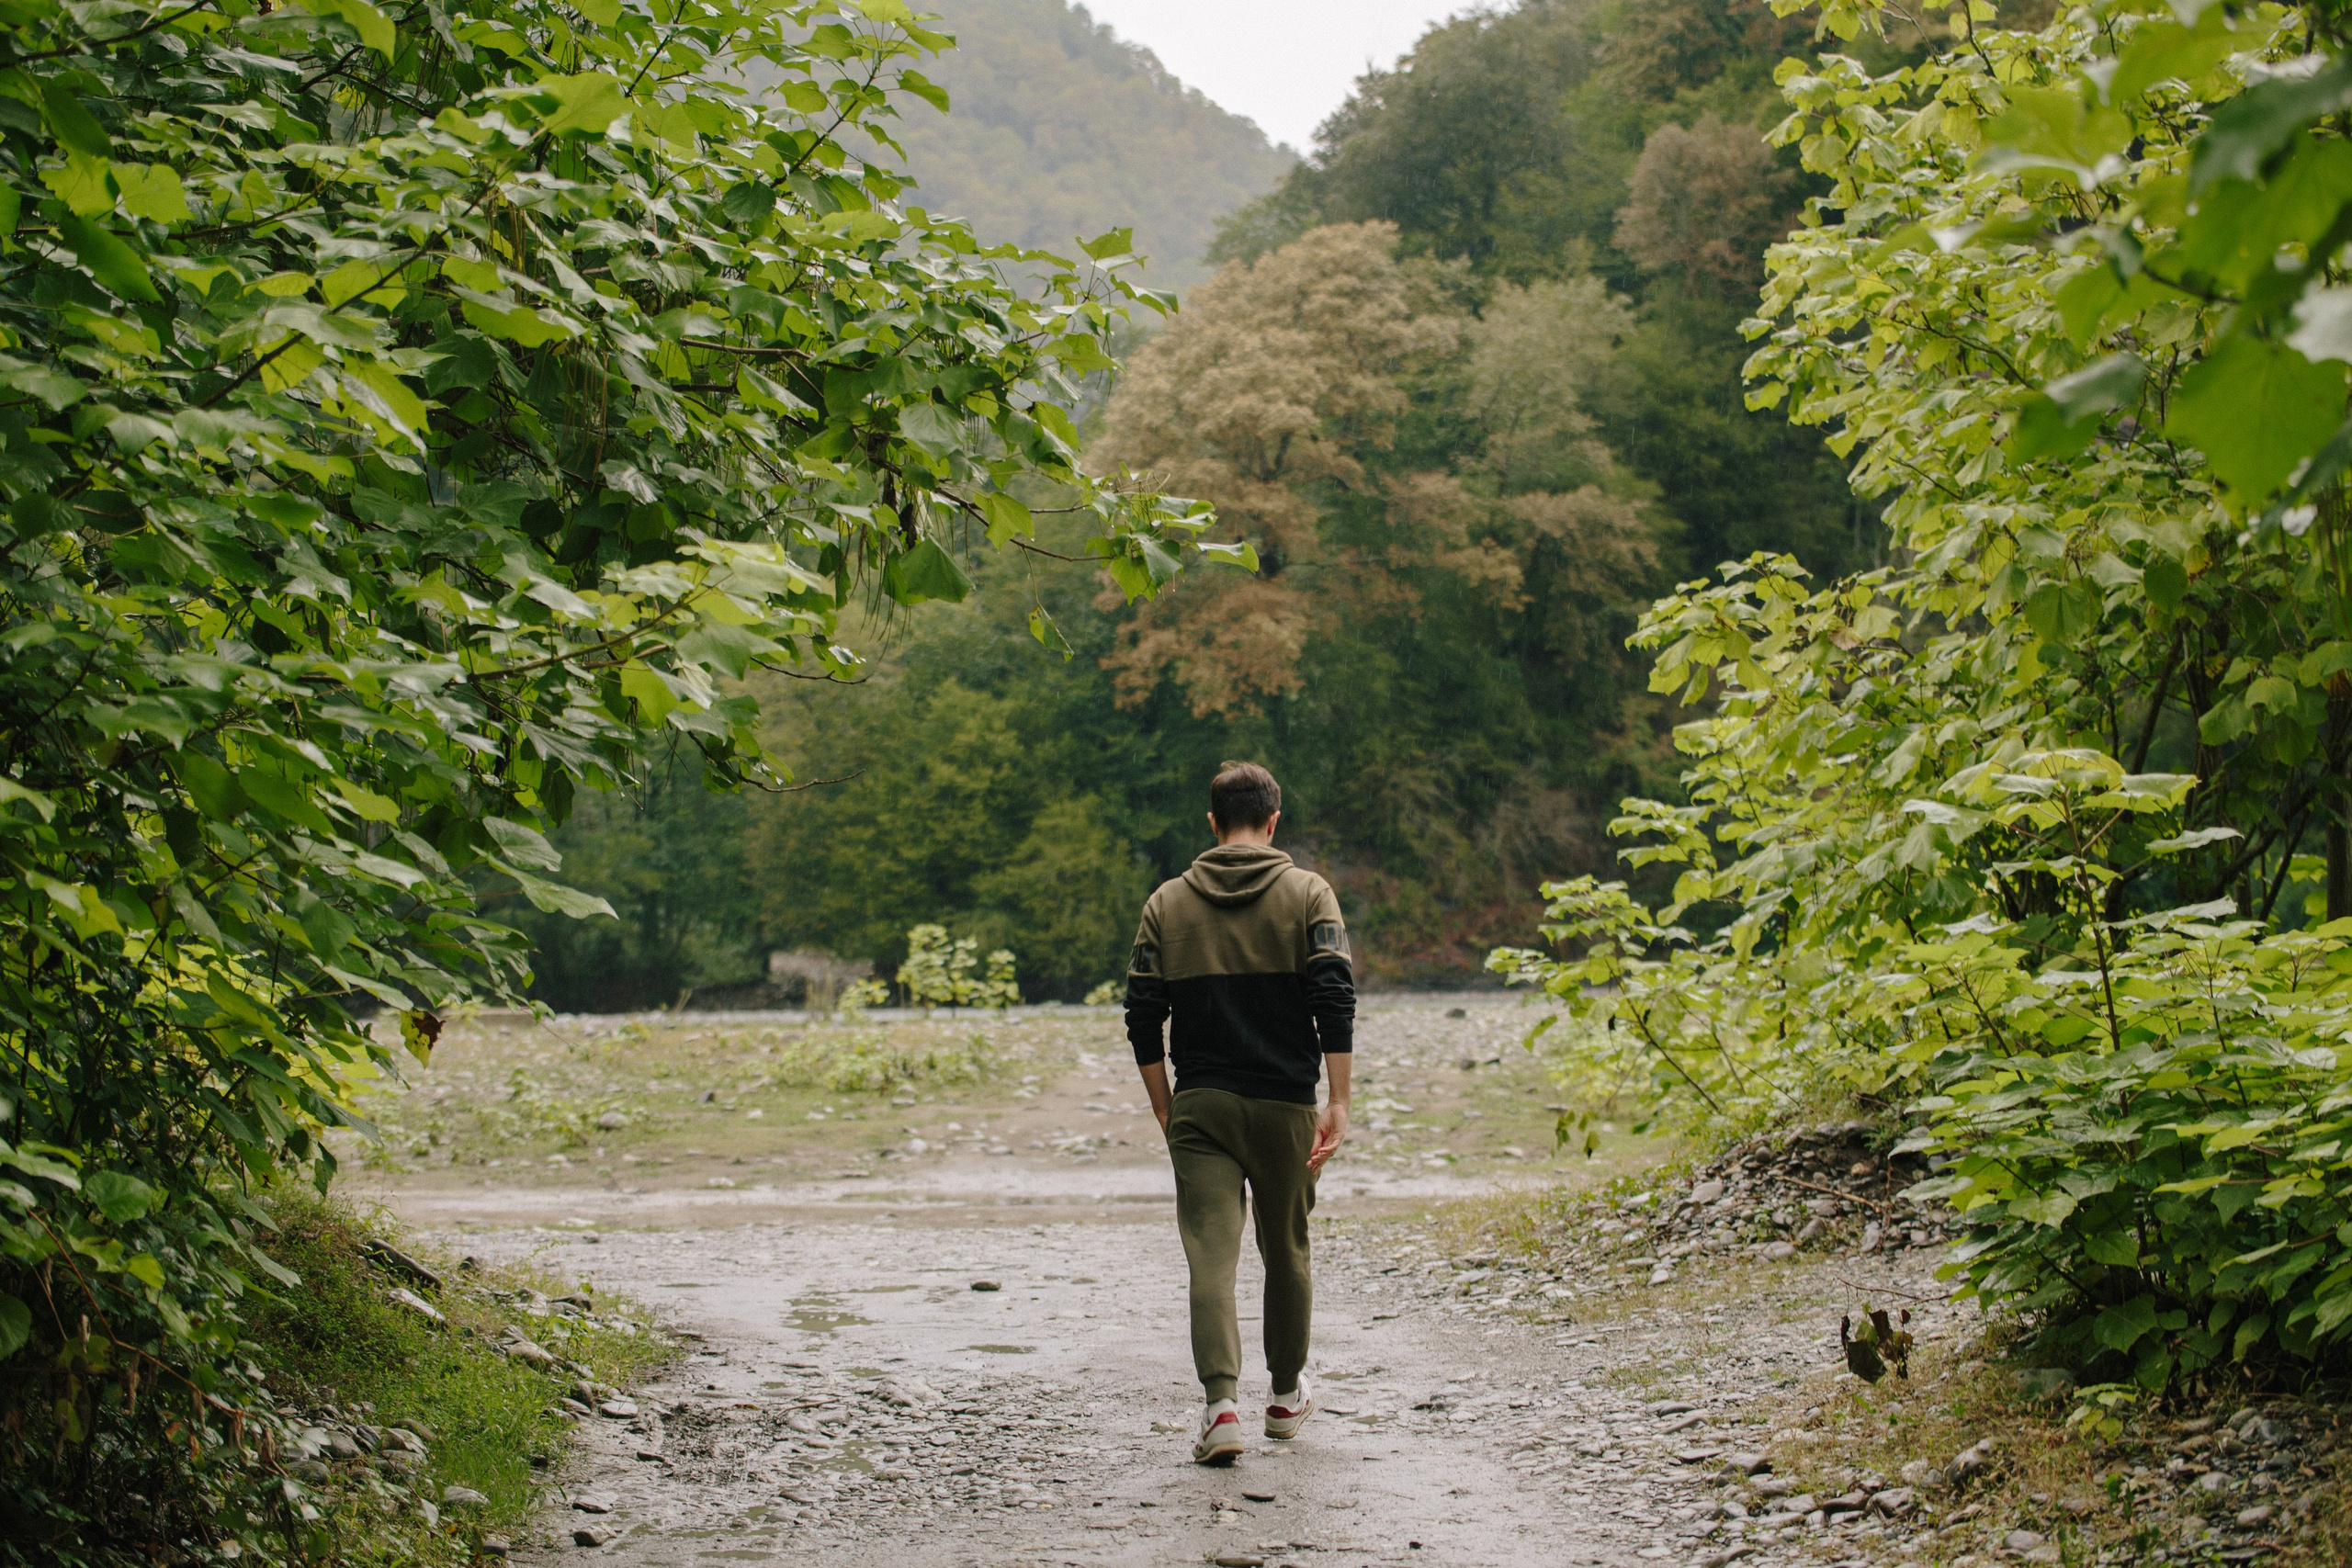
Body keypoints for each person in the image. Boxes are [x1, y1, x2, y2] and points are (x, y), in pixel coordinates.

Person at [1123, 761, 1355, 1466]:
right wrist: (1338, 1099)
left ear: (1213, 822)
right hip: (1286, 1103)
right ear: (1274, 819)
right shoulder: (1310, 893)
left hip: (1201, 1104)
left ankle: (1220, 1407)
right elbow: (1334, 998)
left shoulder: (1167, 902)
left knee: (1211, 1258)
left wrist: (1169, 1109)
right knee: (1285, 1248)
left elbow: (1141, 1016)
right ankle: (1285, 1397)